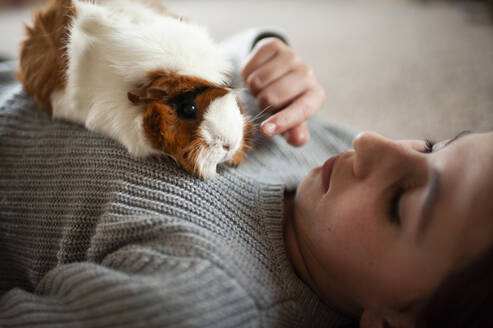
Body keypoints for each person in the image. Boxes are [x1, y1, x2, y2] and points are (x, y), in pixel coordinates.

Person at [0, 28, 491, 328]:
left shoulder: (198, 300)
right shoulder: (322, 150)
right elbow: (212, 58)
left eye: (400, 203)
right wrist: (265, 51)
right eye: (431, 145)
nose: (370, 144)